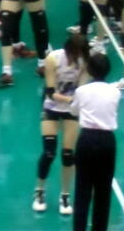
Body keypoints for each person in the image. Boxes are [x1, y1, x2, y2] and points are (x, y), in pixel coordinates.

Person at [33, 34, 89, 215]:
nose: (77, 57)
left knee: (68, 155)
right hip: (51, 106)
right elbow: (50, 92)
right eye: (75, 53)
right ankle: (39, 191)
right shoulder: (53, 59)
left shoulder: (84, 62)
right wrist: (70, 99)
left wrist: (77, 102)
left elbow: (82, 88)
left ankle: (65, 195)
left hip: (71, 110)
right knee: (49, 153)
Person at [69, 53, 120, 231]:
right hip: (107, 141)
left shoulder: (82, 91)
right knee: (103, 191)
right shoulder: (115, 91)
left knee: (82, 190)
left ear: (89, 70)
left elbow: (73, 111)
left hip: (87, 140)